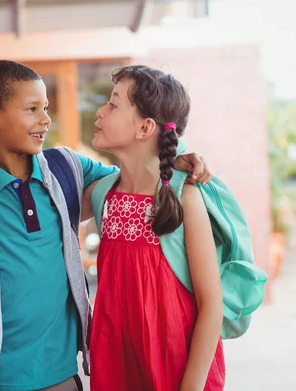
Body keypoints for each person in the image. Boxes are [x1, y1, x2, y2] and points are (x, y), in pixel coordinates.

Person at [0, 60, 211, 391]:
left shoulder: (67, 170)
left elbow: (137, 177)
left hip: (64, 377)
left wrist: (176, 159)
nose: (46, 119)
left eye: (46, 108)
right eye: (32, 109)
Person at [86, 65, 225, 391]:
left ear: (145, 127)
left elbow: (211, 305)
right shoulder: (102, 193)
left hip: (175, 369)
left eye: (113, 104)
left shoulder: (183, 196)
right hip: (117, 365)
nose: (100, 112)